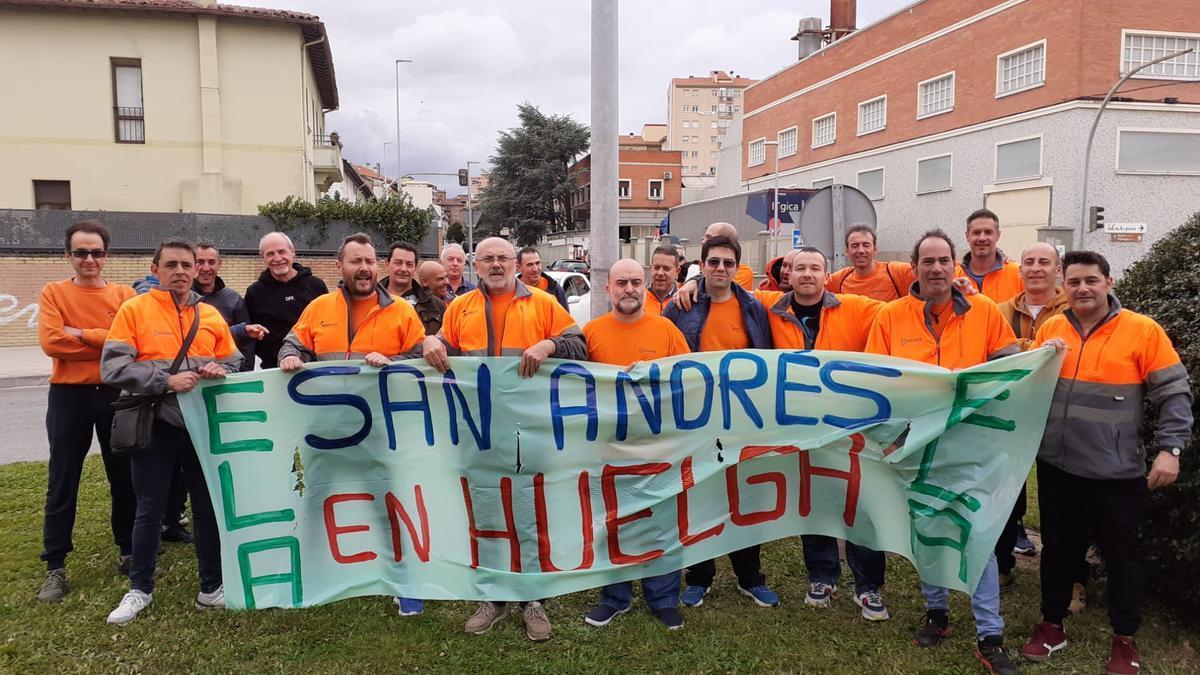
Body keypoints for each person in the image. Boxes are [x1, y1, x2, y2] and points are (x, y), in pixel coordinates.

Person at [1020, 251, 1193, 675]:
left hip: (1117, 472)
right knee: (1059, 550)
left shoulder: (1142, 331)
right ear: (1064, 286)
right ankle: (1052, 625)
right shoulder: (1053, 328)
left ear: (1108, 284)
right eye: (1074, 282)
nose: (1082, 289)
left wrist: (1171, 449)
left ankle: (1124, 639)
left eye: (1091, 281)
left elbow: (1174, 394)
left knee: (1122, 558)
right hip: (1058, 466)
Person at [866, 229, 1021, 675]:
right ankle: (937, 613)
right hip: (917, 447)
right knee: (927, 530)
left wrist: (1040, 356)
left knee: (980, 534)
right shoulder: (891, 316)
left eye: (943, 260)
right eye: (927, 261)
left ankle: (990, 633)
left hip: (975, 446)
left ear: (956, 265)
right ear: (914, 268)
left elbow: (1011, 369)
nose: (936, 268)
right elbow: (878, 382)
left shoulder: (986, 312)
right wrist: (891, 438)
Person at [422, 236, 586, 641]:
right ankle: (493, 597)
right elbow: (444, 347)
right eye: (488, 259)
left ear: (516, 263)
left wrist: (549, 344)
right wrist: (431, 342)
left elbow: (580, 345)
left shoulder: (544, 304)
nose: (496, 265)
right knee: (486, 517)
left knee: (530, 515)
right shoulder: (460, 308)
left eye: (503, 258)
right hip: (478, 431)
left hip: (530, 431)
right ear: (475, 265)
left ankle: (534, 599)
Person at [100, 239, 242, 625]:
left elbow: (233, 360)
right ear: (156, 268)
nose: (180, 271)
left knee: (206, 507)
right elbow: (112, 368)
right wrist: (165, 380)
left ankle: (211, 588)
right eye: (172, 264)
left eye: (187, 265)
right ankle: (139, 590)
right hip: (154, 423)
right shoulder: (134, 309)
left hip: (200, 424)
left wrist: (221, 371)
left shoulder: (210, 315)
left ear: (198, 269)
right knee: (149, 508)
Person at [755, 247, 890, 621]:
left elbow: (901, 313)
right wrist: (694, 285)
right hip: (802, 431)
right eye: (800, 268)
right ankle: (822, 576)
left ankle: (869, 585)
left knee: (859, 503)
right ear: (789, 274)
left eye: (816, 268)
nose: (808, 274)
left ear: (827, 274)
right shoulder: (772, 307)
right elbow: (729, 295)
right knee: (813, 503)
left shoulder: (857, 307)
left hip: (850, 429)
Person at [663, 235, 779, 610]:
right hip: (695, 417)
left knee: (743, 495)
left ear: (737, 268)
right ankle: (699, 576)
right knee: (699, 494)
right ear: (702, 264)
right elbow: (664, 353)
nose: (720, 269)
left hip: (742, 418)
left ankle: (750, 577)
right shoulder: (682, 305)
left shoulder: (753, 307)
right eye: (713, 262)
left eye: (728, 263)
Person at [581, 258, 690, 631]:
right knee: (612, 523)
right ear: (608, 288)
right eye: (622, 282)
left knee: (662, 523)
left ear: (645, 286)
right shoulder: (591, 333)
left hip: (658, 448)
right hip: (609, 450)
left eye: (636, 282)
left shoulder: (667, 330)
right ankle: (615, 597)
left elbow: (687, 385)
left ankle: (663, 597)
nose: (629, 289)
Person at [35, 220, 137, 602]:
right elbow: (52, 342)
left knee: (123, 475)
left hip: (114, 392)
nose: (89, 259)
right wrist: (105, 341)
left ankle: (128, 552)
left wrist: (82, 333)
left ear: (106, 255)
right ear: (68, 255)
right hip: (69, 395)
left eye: (96, 252)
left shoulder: (125, 295)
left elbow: (130, 345)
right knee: (63, 478)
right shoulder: (53, 292)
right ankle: (55, 565)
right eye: (81, 252)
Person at [992, 242, 1069, 590]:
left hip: (1060, 417)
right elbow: (992, 353)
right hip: (1012, 414)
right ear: (1018, 270)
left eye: (1044, 262)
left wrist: (1026, 349)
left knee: (1060, 501)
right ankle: (1002, 564)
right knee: (1006, 495)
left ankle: (1070, 576)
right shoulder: (998, 310)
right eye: (1029, 262)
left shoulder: (1075, 309)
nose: (1036, 268)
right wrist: (1040, 349)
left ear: (1058, 270)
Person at [244, 232, 328, 369]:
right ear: (263, 258)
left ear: (292, 252)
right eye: (270, 254)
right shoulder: (254, 292)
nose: (277, 258)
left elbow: (326, 325)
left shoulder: (316, 285)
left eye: (282, 251)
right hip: (273, 371)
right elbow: (251, 334)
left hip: (314, 367)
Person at [194, 242, 267, 373]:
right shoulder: (182, 299)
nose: (205, 268)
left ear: (219, 264)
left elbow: (247, 345)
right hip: (191, 378)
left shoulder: (233, 299)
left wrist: (241, 374)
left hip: (226, 375)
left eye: (211, 262)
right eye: (200, 262)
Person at [826, 224, 915, 301]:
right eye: (855, 246)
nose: (861, 250)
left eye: (866, 245)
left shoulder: (896, 272)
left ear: (875, 249)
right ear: (847, 251)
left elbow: (924, 276)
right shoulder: (839, 280)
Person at [954, 209, 1023, 303]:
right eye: (976, 232)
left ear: (998, 235)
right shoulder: (954, 277)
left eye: (988, 232)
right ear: (967, 236)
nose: (982, 238)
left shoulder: (1018, 275)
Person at [381, 241, 446, 336]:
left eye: (409, 264)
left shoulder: (435, 306)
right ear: (387, 265)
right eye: (398, 263)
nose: (403, 269)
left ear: (415, 268)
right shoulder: (371, 300)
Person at [684, 222, 755, 289]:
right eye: (713, 262)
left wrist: (695, 282)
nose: (703, 242)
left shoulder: (744, 273)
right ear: (702, 266)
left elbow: (718, 290)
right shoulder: (696, 271)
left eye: (709, 238)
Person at [644, 245, 680, 316]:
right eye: (656, 268)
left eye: (666, 269)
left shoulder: (683, 301)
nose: (660, 273)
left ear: (677, 271)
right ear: (651, 269)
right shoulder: (639, 300)